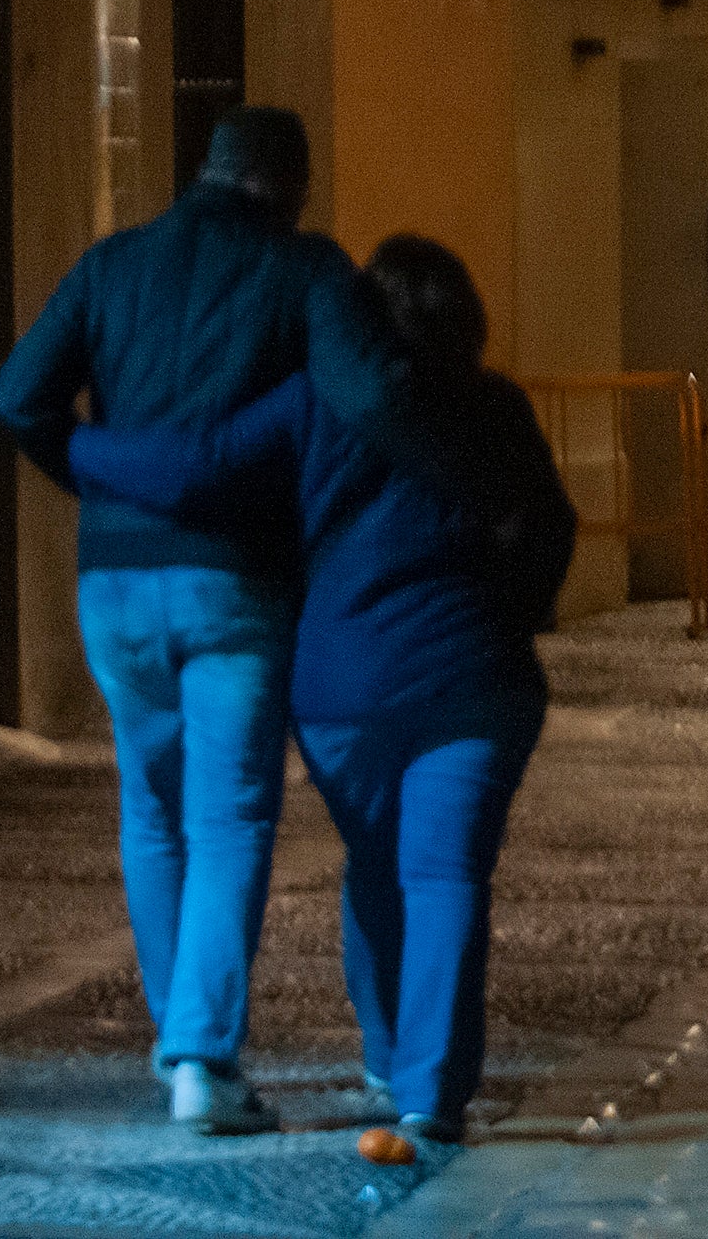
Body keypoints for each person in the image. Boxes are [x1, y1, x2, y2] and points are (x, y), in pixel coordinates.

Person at [66, 235, 576, 1142]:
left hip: (342, 690)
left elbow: (199, 464)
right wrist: (511, 618)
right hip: (472, 682)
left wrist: (76, 446)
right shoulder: (496, 407)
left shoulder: (314, 403)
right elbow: (548, 527)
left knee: (378, 861)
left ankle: (386, 1053)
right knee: (446, 871)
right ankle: (429, 1087)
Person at [0, 106, 411, 1135]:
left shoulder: (113, 264)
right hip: (233, 582)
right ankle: (202, 1057)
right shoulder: (308, 270)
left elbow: (17, 396)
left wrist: (93, 472)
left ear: (207, 170)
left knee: (152, 811)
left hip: (114, 584)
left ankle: (185, 1048)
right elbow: (366, 399)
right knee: (230, 819)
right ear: (293, 186)